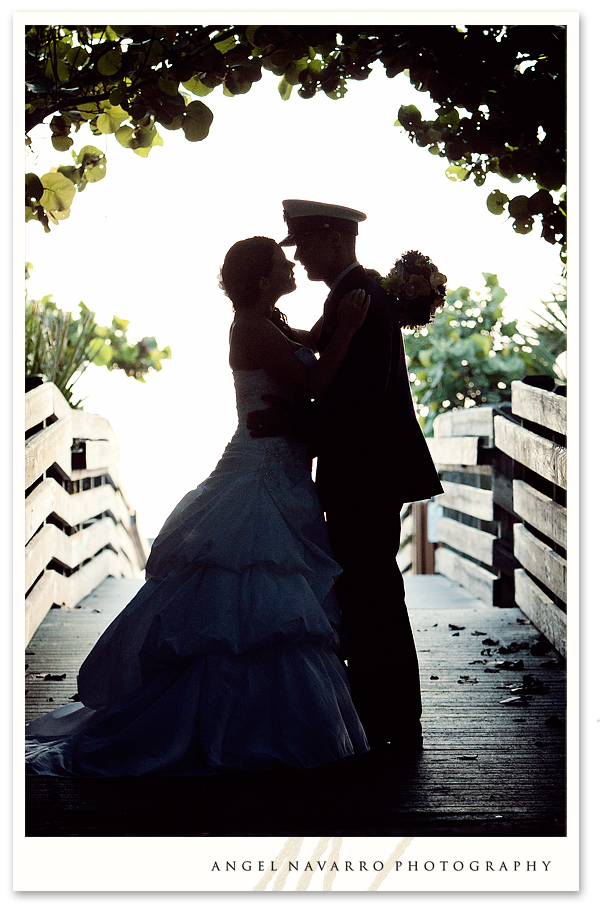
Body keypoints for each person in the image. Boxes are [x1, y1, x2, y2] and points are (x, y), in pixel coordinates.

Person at [25, 236, 371, 777]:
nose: (289, 263)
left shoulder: (269, 322)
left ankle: (256, 721)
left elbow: (312, 346)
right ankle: (244, 728)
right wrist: (349, 329)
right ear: (260, 279)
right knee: (252, 598)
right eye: (281, 262)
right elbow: (313, 380)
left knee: (263, 600)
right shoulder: (253, 329)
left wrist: (353, 314)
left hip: (280, 468)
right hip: (260, 471)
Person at [248, 200, 444, 752]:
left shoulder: (361, 296)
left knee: (373, 591)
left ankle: (396, 726)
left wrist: (291, 419)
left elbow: (359, 395)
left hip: (367, 472)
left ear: (333, 240)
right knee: (367, 590)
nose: (301, 257)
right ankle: (382, 719)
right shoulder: (350, 295)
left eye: (305, 245)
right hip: (365, 470)